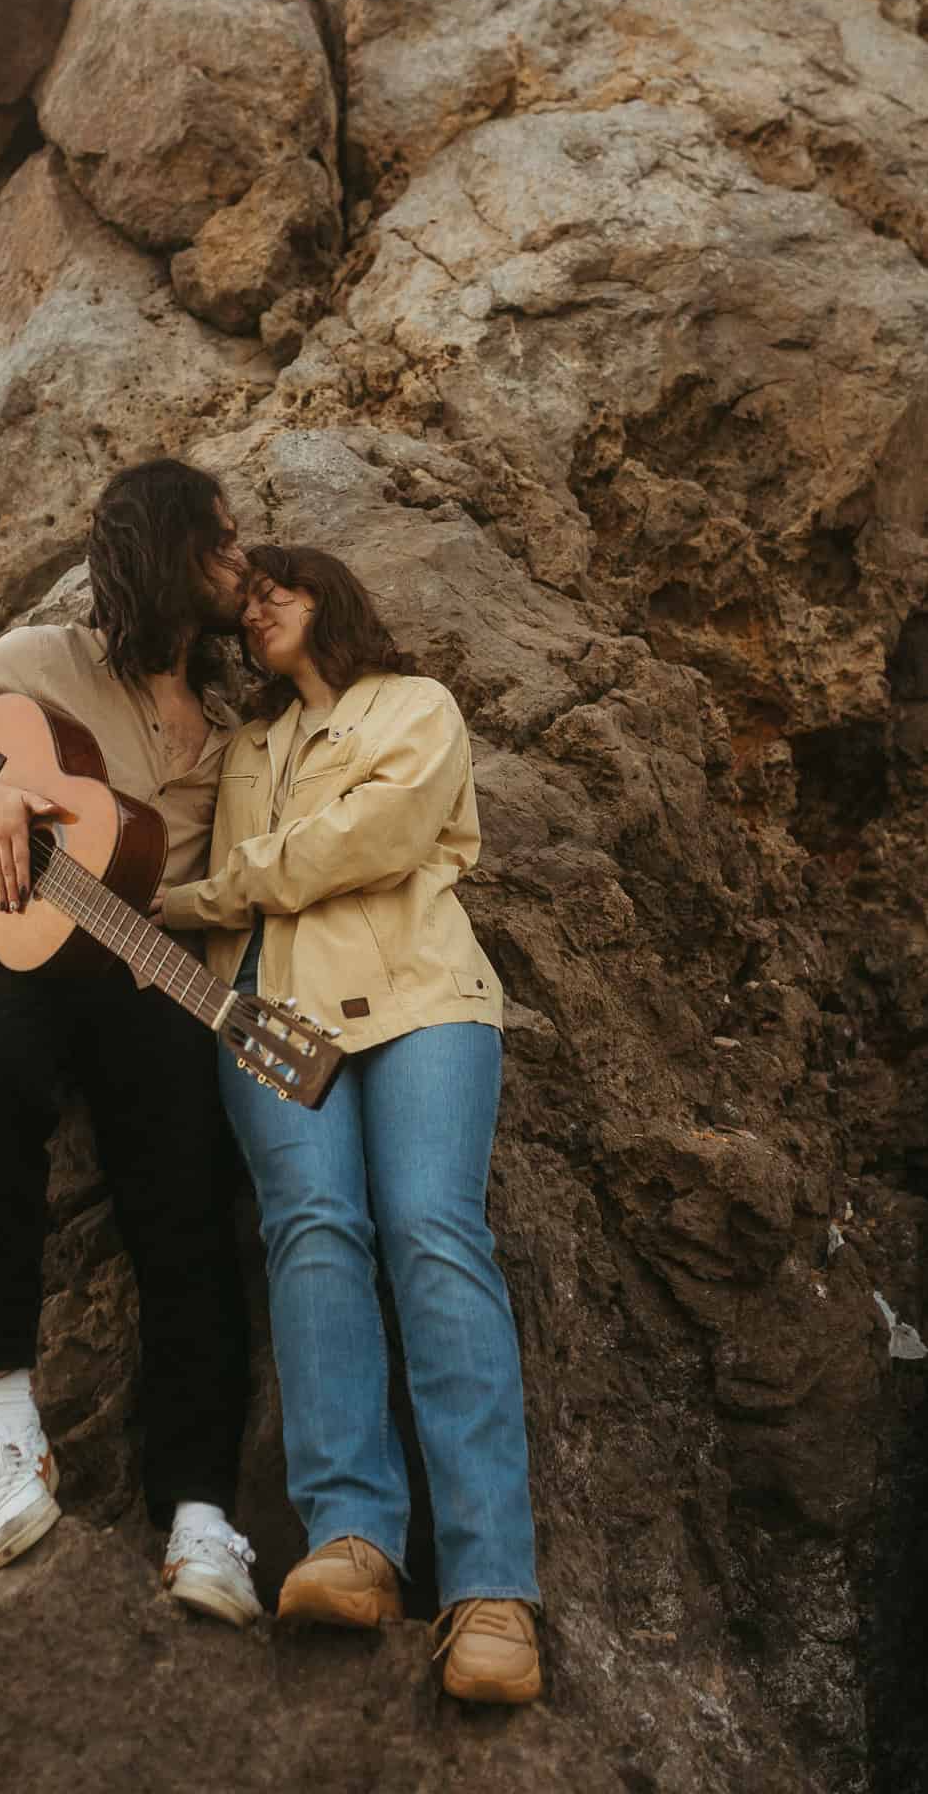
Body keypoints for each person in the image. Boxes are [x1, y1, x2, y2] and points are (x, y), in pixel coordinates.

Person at [0, 458, 261, 1627]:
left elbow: (210, 892)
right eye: (220, 542)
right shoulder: (37, 663)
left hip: (148, 980)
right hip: (19, 965)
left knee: (189, 1189)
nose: (239, 561)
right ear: (165, 549)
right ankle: (7, 1422)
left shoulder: (234, 737)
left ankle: (197, 1509)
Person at [156, 544, 542, 1699]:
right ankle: (355, 1542)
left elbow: (373, 836)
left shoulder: (415, 705)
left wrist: (212, 894)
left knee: (432, 1228)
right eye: (246, 598)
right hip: (270, 1019)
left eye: (283, 584)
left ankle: (492, 1592)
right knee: (313, 1228)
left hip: (424, 998)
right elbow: (171, 848)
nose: (258, 605)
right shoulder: (242, 749)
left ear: (339, 595)